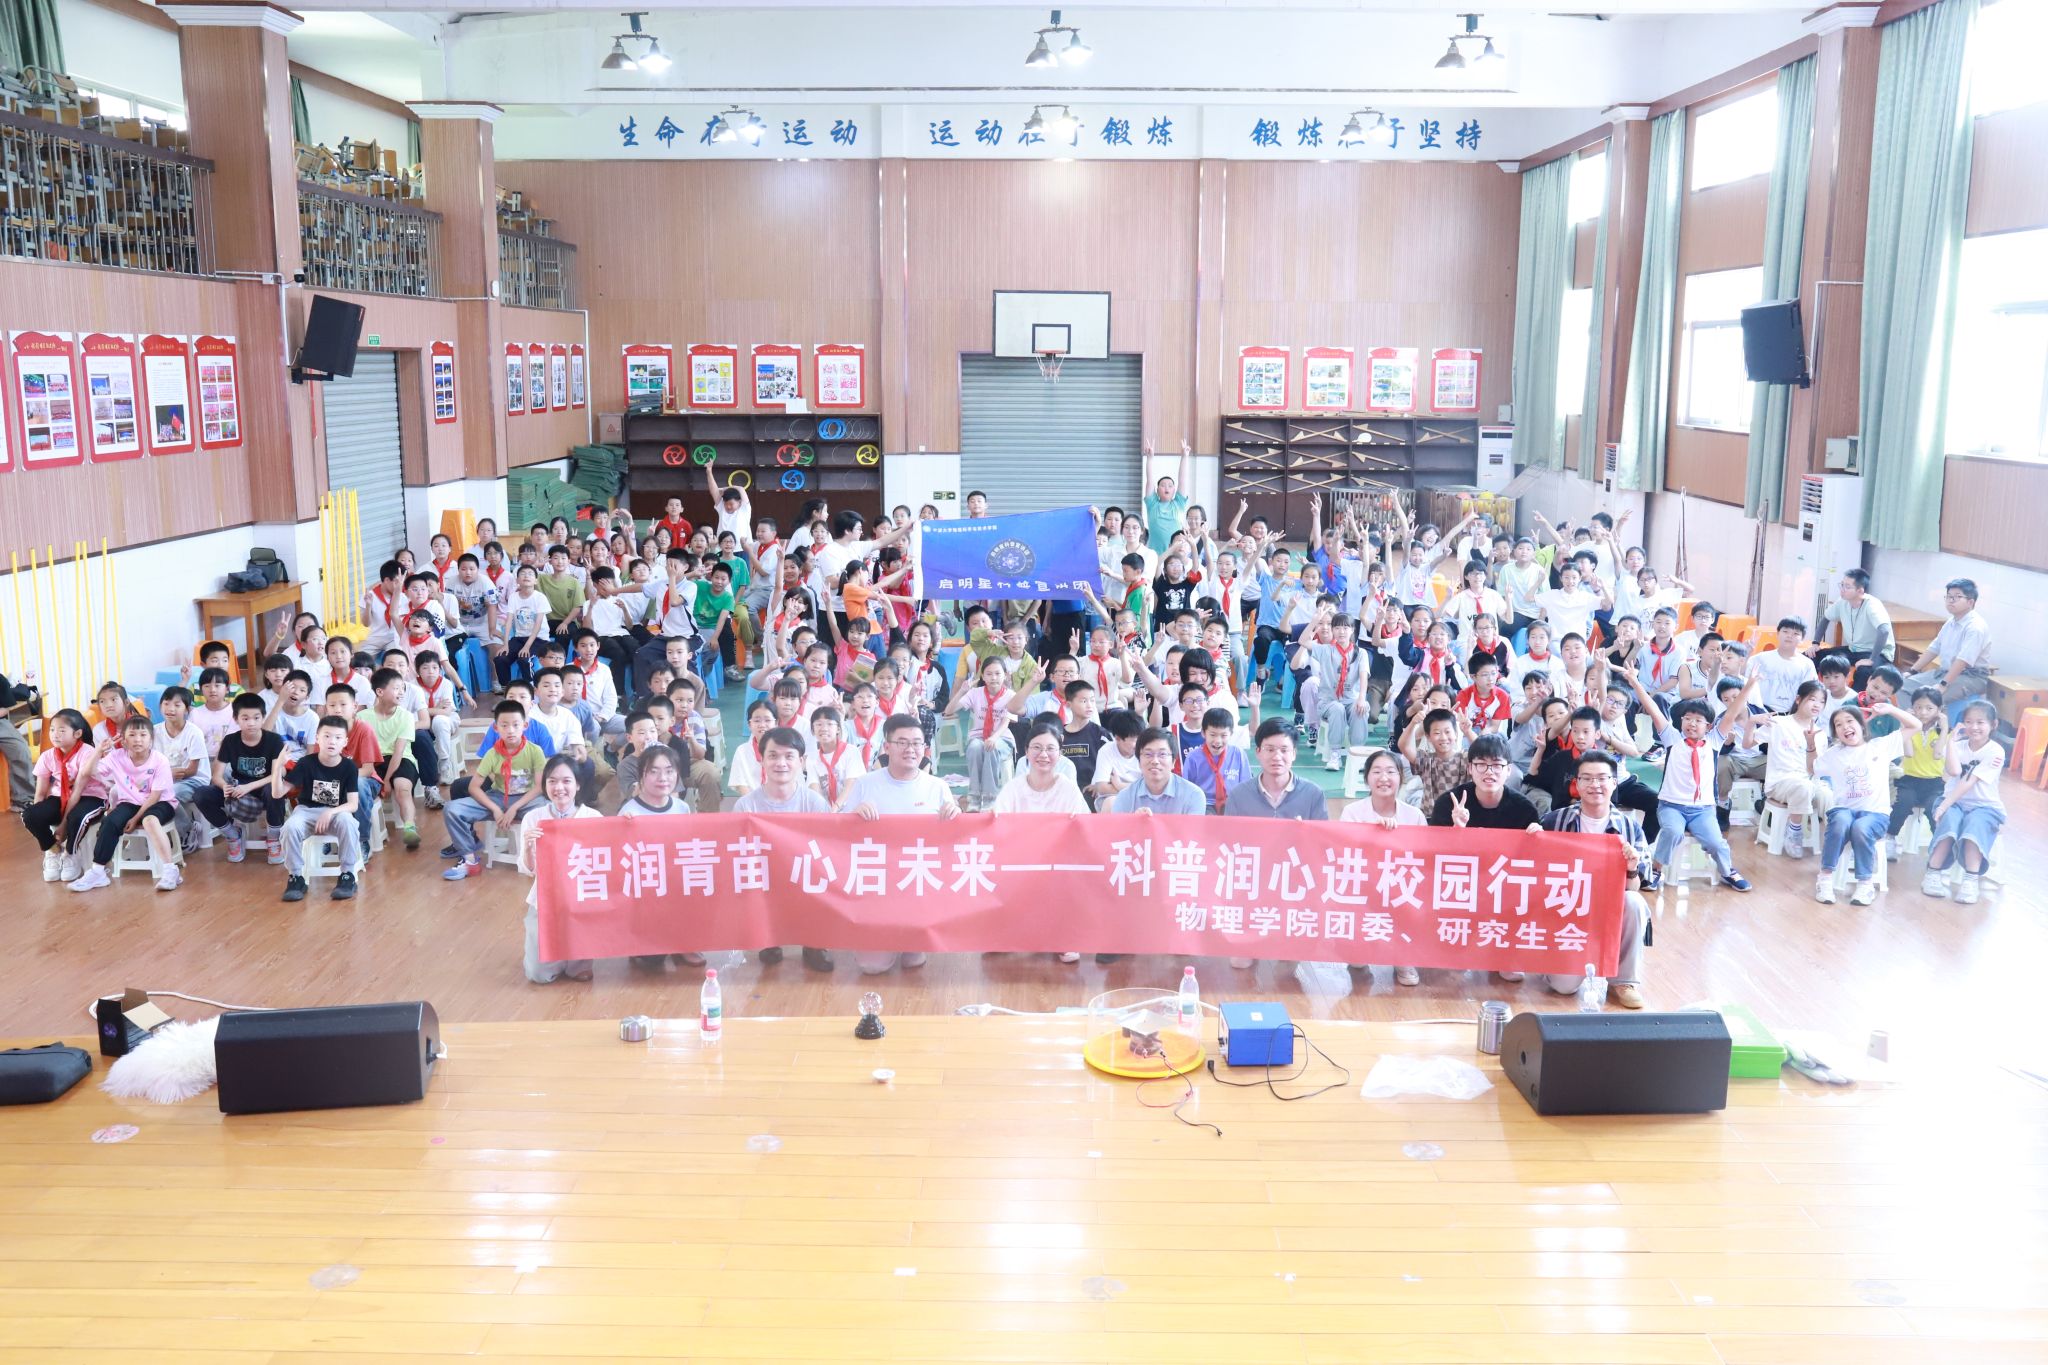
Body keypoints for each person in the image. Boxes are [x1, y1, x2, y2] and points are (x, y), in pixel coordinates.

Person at [840, 714, 961, 974]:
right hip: (877, 885)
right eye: (902, 742)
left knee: (913, 961)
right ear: (887, 746)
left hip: (918, 882)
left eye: (917, 743)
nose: (910, 749)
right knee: (871, 967)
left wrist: (955, 816)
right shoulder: (865, 784)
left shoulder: (937, 786)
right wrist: (854, 816)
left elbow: (953, 843)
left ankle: (912, 936)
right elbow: (839, 836)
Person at [1537, 750, 1651, 1008]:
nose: (1594, 785)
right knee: (1563, 987)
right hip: (1566, 911)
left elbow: (1634, 887)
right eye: (1586, 778)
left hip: (1608, 910)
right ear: (1576, 784)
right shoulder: (1555, 820)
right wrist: (1532, 837)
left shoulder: (1630, 828)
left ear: (1614, 782)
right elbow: (1533, 870)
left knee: (1634, 902)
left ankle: (1624, 981)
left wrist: (1631, 869)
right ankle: (1558, 960)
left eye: (1602, 778)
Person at [733, 726, 834, 972]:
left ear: (802, 761)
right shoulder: (746, 806)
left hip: (804, 872)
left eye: (789, 756)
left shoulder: (814, 803)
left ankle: (814, 944)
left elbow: (826, 849)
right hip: (765, 876)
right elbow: (737, 853)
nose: (781, 763)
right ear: (762, 760)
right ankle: (769, 939)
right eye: (773, 756)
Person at [1811, 700, 1921, 905]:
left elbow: (1916, 725)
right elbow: (1812, 768)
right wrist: (1810, 745)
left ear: (1862, 725)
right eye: (1838, 724)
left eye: (1849, 721)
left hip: (1875, 815)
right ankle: (1824, 879)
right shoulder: (1834, 754)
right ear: (1835, 733)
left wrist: (1890, 709)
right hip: (1844, 810)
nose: (1845, 727)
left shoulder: (1881, 746)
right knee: (1841, 821)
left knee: (1861, 827)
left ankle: (1865, 885)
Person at [1339, 747, 1426, 987]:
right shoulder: (1352, 812)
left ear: (1400, 776)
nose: (1384, 778)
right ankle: (1360, 945)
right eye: (1376, 772)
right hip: (1364, 885)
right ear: (1367, 778)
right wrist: (1373, 836)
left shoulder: (1414, 815)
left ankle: (1402, 956)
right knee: (1357, 962)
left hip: (1401, 888)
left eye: (1390, 771)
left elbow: (1423, 858)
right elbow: (1344, 855)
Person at [68, 715, 179, 893]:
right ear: (124, 740)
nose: (138, 740)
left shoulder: (160, 760)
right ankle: (98, 872)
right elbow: (87, 773)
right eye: (132, 735)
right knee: (110, 821)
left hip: (160, 802)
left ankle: (170, 871)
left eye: (143, 735)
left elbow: (155, 796)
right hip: (130, 802)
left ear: (151, 739)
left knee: (149, 820)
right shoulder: (116, 756)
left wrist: (135, 819)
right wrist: (98, 751)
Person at [443, 700, 549, 880]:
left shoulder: (535, 751)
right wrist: (495, 809)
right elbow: (473, 787)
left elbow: (540, 786)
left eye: (516, 725)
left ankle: (543, 858)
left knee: (548, 812)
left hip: (528, 800)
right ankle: (469, 860)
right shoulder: (492, 754)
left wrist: (514, 808)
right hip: (498, 798)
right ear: (496, 728)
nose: (510, 730)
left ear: (525, 726)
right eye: (504, 725)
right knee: (451, 809)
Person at [518, 755, 601, 983]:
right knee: (538, 975)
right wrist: (528, 847)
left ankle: (576, 960)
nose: (559, 788)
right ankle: (553, 957)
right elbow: (527, 870)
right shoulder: (534, 818)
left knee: (579, 968)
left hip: (582, 897)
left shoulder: (593, 818)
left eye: (566, 781)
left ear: (578, 784)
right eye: (552, 781)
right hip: (546, 898)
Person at [189, 692, 287, 864]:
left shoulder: (273, 740)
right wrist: (224, 786)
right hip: (237, 790)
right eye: (245, 718)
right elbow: (216, 776)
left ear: (263, 717)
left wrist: (248, 787)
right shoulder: (230, 741)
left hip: (263, 789)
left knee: (274, 789)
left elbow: (278, 774)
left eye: (256, 718)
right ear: (236, 719)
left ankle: (273, 839)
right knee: (201, 794)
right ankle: (232, 834)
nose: (251, 723)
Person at [1923, 698, 2003, 904]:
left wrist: (1943, 805)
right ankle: (1932, 872)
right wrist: (1950, 742)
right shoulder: (1957, 746)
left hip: (1984, 806)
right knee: (1950, 821)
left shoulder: (1995, 751)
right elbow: (1954, 771)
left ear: (1993, 724)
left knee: (1975, 824)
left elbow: (1969, 781)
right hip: (1954, 802)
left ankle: (1970, 879)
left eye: (1980, 722)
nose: (1974, 727)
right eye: (1968, 722)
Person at [278, 714, 362, 902]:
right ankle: (296, 877)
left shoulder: (349, 767)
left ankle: (347, 875)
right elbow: (278, 793)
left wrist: (330, 811)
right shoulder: (306, 763)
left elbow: (353, 804)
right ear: (317, 738)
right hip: (306, 811)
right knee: (290, 827)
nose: (332, 741)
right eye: (327, 736)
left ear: (345, 742)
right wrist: (277, 768)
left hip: (336, 813)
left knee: (348, 822)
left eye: (338, 737)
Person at [24, 708, 102, 882]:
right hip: (59, 797)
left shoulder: (87, 752)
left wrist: (64, 825)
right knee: (29, 814)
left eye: (61, 730)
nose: (55, 734)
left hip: (90, 796)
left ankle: (71, 854)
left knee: (76, 817)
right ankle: (52, 850)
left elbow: (77, 791)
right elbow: (40, 793)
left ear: (77, 733)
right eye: (52, 729)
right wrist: (38, 817)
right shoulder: (47, 756)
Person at [1760, 681, 1833, 857]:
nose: (1817, 705)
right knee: (1803, 786)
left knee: (1829, 796)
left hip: (1810, 781)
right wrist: (1750, 723)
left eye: (1821, 701)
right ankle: (1794, 831)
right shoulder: (1778, 723)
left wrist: (1811, 745)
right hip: (1780, 782)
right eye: (1812, 699)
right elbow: (1748, 743)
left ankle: (1838, 841)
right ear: (1799, 699)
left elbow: (1815, 769)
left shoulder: (1820, 733)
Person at [1906, 578, 1993, 711]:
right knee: (1903, 685)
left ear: (1970, 602)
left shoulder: (1975, 627)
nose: (1951, 600)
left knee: (1930, 699)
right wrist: (1912, 671)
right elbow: (1934, 648)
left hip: (1971, 677)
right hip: (1945, 672)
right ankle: (1907, 722)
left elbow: (1963, 660)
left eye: (1957, 597)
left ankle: (1936, 725)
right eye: (1949, 596)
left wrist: (1943, 684)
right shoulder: (1951, 621)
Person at [1106, 727, 1206, 815]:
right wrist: (1134, 823)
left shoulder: (1193, 795)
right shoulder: (1124, 797)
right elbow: (1120, 831)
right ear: (1139, 761)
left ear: (1173, 762)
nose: (1155, 761)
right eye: (1148, 754)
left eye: (1162, 754)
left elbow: (1193, 830)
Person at [1819, 568, 1895, 673]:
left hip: (1877, 653)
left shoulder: (1872, 605)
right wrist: (1815, 643)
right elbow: (1825, 618)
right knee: (1815, 656)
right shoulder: (1842, 601)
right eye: (1842, 585)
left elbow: (1884, 630)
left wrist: (1871, 659)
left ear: (1860, 591)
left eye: (1847, 587)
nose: (1842, 589)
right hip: (1853, 650)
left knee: (1864, 671)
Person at [1747, 618, 1819, 714]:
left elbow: (1810, 693)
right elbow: (1741, 680)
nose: (1789, 636)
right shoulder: (1759, 659)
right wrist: (1746, 654)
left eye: (1796, 633)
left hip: (1791, 715)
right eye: (1785, 631)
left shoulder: (1807, 664)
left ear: (1802, 639)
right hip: (1759, 713)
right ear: (1778, 633)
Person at [1141, 440, 1194, 553]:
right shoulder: (1152, 504)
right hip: (1155, 553)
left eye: (1170, 486)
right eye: (1163, 485)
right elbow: (1150, 480)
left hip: (1176, 553)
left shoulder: (1179, 503)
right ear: (1157, 490)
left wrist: (1185, 456)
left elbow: (1182, 480)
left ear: (1174, 490)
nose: (1166, 488)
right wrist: (1150, 458)